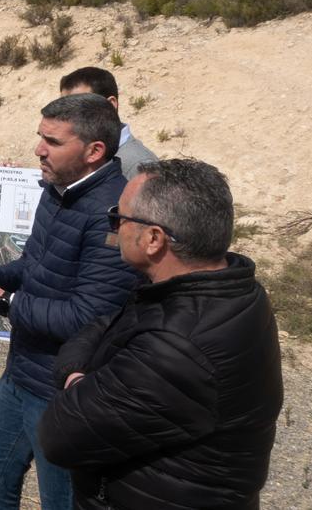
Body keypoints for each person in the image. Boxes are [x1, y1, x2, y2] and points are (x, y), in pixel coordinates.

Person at [0, 93, 140, 510]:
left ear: (94, 151)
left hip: (62, 391)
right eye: (40, 137)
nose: (39, 149)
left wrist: (1, 302)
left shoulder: (112, 215)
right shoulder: (58, 189)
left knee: (59, 499)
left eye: (53, 142)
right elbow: (35, 265)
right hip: (22, 373)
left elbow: (90, 318)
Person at [39, 159, 283, 509]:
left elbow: (59, 435)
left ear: (153, 239)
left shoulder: (176, 346)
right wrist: (84, 367)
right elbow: (104, 325)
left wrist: (77, 379)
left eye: (119, 219)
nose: (115, 228)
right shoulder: (228, 290)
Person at [59, 66, 157, 180]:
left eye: (79, 106)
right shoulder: (87, 154)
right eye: (63, 107)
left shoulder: (139, 165)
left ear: (110, 105)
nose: (67, 116)